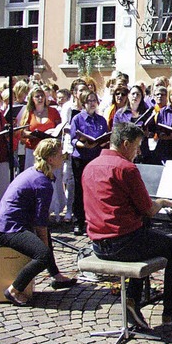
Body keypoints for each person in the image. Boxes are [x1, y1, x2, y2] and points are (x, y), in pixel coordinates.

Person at [83, 122, 172, 327]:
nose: (138, 151)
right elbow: (149, 210)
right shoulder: (126, 168)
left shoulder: (90, 166)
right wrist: (161, 202)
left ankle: (133, 299)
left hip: (98, 243)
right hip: (122, 244)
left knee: (145, 235)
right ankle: (171, 311)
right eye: (136, 146)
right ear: (125, 144)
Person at [0, 139, 77, 307]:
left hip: (9, 224)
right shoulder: (42, 182)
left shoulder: (36, 173)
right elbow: (41, 223)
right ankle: (14, 290)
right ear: (51, 159)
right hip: (8, 229)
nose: (63, 157)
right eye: (60, 154)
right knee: (42, 255)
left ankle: (56, 276)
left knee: (46, 241)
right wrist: (44, 248)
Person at [69, 90, 109, 235]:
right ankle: (79, 222)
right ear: (83, 103)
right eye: (89, 101)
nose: (92, 103)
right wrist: (84, 145)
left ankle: (94, 221)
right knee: (80, 190)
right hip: (81, 157)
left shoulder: (101, 120)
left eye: (94, 101)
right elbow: (73, 139)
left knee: (96, 190)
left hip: (96, 158)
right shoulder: (77, 119)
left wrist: (102, 142)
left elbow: (105, 137)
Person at [19, 87, 61, 170]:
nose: (40, 98)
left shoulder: (53, 111)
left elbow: (59, 128)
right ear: (32, 99)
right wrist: (36, 135)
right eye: (37, 96)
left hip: (50, 150)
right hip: (33, 150)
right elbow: (23, 132)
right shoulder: (28, 112)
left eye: (42, 96)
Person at [113, 85, 153, 163]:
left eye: (138, 94)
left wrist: (147, 133)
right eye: (133, 94)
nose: (135, 96)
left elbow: (153, 131)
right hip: (125, 150)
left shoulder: (146, 113)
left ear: (142, 97)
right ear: (128, 96)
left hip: (142, 150)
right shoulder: (120, 113)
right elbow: (115, 132)